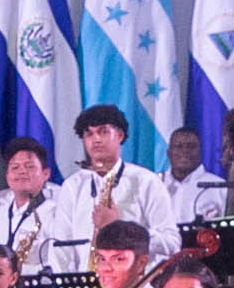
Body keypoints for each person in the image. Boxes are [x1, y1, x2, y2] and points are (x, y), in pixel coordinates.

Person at [47, 105, 178, 267]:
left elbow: (172, 243)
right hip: (86, 284)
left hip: (135, 286)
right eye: (89, 134)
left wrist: (122, 226)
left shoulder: (147, 181)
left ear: (120, 135)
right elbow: (61, 248)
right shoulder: (72, 186)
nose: (96, 139)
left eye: (103, 132)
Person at [0, 137, 59, 273]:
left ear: (46, 174)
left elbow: (56, 264)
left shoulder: (55, 214)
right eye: (15, 167)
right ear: (7, 176)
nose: (22, 172)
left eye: (30, 167)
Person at [165, 126, 232, 225]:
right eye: (179, 146)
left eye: (191, 146)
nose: (185, 151)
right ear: (169, 153)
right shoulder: (156, 185)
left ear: (201, 152)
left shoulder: (220, 187)